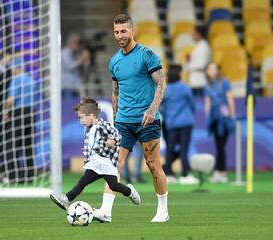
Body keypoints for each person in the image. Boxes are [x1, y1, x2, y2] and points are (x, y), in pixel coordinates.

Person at [93, 14, 169, 223]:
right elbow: (116, 91)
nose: (120, 36)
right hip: (124, 122)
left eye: (123, 31)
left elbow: (161, 84)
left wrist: (152, 109)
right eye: (116, 32)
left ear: (132, 31)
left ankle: (163, 210)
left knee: (153, 165)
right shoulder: (114, 61)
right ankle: (106, 211)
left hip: (147, 120)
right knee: (113, 165)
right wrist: (116, 118)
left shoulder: (147, 55)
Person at [50, 97, 141, 209]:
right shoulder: (89, 129)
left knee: (114, 185)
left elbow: (117, 134)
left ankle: (129, 191)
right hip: (95, 164)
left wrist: (113, 140)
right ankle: (66, 199)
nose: (80, 121)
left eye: (81, 118)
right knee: (82, 182)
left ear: (91, 115)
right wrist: (88, 151)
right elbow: (95, 144)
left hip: (106, 163)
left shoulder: (102, 125)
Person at [161, 64, 199, 185]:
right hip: (185, 122)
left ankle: (169, 174)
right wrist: (189, 114)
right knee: (184, 149)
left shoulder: (165, 89)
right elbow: (192, 103)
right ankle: (185, 174)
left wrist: (168, 115)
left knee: (170, 148)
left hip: (170, 123)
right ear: (178, 75)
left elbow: (161, 107)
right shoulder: (184, 88)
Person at [4, 57, 37, 183]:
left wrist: (6, 111)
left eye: (11, 68)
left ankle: (13, 176)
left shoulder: (16, 80)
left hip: (19, 113)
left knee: (11, 145)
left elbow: (11, 99)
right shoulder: (31, 80)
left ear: (16, 68)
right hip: (31, 112)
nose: (11, 71)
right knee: (28, 145)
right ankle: (30, 175)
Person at [204, 63, 236, 183]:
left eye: (213, 69)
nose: (211, 71)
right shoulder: (207, 85)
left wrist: (231, 116)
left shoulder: (224, 82)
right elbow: (207, 103)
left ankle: (220, 172)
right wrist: (208, 118)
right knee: (219, 145)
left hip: (224, 117)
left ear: (217, 71)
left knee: (221, 145)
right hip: (214, 119)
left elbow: (230, 99)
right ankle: (220, 171)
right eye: (209, 68)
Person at [61, 33, 90, 98]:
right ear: (72, 43)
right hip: (66, 86)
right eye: (77, 44)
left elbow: (84, 69)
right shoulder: (65, 53)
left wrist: (87, 60)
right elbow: (69, 67)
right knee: (68, 106)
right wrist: (82, 59)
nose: (79, 46)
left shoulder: (77, 53)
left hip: (75, 86)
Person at [186, 25, 212, 97]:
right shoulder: (199, 46)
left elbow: (201, 64)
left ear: (199, 34)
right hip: (196, 79)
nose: (192, 35)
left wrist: (190, 63)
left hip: (200, 80)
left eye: (194, 33)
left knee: (200, 103)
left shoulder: (203, 46)